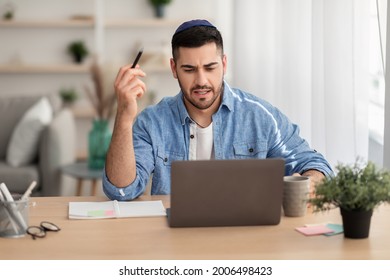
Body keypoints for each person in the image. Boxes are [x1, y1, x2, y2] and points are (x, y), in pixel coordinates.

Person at [103, 19, 333, 201]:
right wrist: (124, 115)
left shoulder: (260, 116)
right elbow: (121, 191)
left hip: (246, 239)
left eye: (210, 67)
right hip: (175, 242)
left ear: (223, 64)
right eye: (189, 69)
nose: (201, 80)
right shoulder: (152, 122)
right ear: (174, 68)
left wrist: (308, 183)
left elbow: (316, 165)